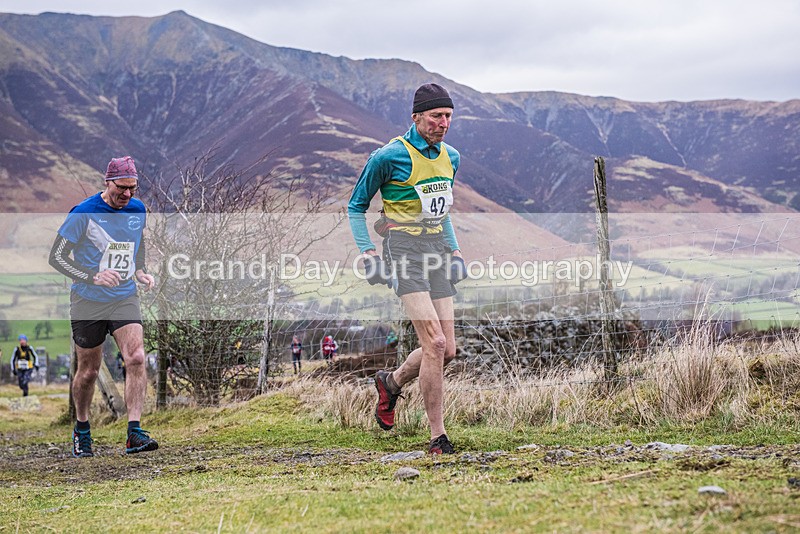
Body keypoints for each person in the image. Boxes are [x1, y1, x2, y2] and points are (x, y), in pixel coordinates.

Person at [348, 83, 467, 455]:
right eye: (436, 116)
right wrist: (368, 252)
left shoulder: (452, 157)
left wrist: (456, 250)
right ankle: (437, 437)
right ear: (416, 117)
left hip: (436, 251)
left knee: (448, 349)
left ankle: (391, 383)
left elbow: (442, 211)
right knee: (433, 343)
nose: (443, 123)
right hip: (403, 249)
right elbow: (356, 206)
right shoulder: (388, 157)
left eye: (448, 116)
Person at [48, 156, 158, 458]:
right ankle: (82, 430)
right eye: (122, 188)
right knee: (88, 371)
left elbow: (137, 242)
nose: (127, 195)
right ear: (107, 182)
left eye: (133, 189)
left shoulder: (137, 209)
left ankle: (134, 432)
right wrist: (92, 277)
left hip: (124, 296)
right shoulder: (82, 213)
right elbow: (56, 258)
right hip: (87, 300)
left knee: (136, 357)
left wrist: (140, 270)